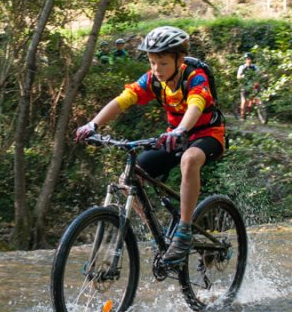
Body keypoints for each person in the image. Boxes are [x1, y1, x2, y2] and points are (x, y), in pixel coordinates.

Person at [74, 26, 225, 265]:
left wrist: (181, 130)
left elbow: (196, 105)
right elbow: (123, 100)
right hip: (174, 137)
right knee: (129, 178)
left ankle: (184, 231)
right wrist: (93, 124)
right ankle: (158, 233)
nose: (157, 69)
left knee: (189, 159)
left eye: (163, 63)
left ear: (180, 59)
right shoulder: (153, 80)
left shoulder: (195, 77)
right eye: (152, 62)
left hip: (207, 135)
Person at [236, 52, 259, 120]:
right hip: (244, 85)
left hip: (252, 85)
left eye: (250, 59)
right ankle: (242, 116)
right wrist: (242, 77)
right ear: (245, 59)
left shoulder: (255, 67)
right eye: (247, 59)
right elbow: (238, 76)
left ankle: (249, 110)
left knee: (252, 100)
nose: (249, 60)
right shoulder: (242, 67)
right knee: (244, 101)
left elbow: (258, 74)